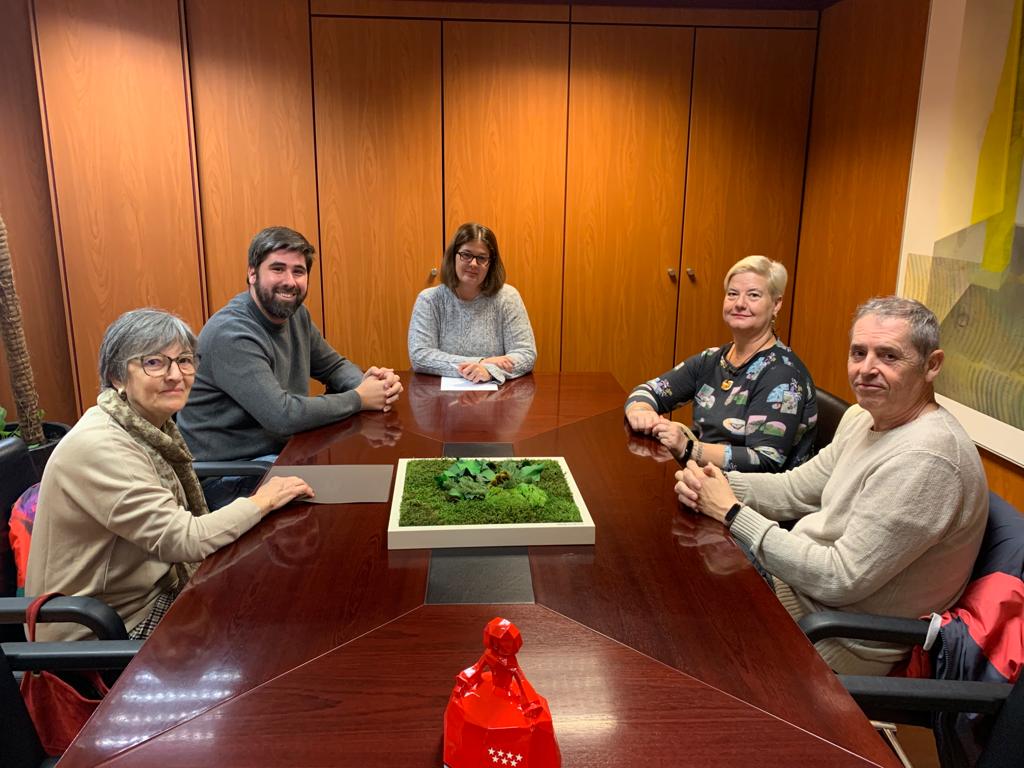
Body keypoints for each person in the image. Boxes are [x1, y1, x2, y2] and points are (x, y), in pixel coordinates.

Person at [674, 297, 989, 675]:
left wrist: (731, 511)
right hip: (798, 591)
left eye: (888, 356)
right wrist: (717, 483)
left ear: (931, 365)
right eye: (859, 353)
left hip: (835, 638)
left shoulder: (928, 459)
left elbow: (839, 578)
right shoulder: (863, 417)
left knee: (680, 612)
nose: (866, 369)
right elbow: (796, 489)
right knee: (676, 564)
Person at [25, 309, 314, 641]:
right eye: (154, 362)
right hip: (103, 629)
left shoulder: (145, 424)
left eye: (184, 361)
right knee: (262, 630)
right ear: (117, 377)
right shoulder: (102, 447)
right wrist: (263, 501)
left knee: (277, 588)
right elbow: (184, 540)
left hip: (148, 590)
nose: (176, 375)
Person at [178, 226, 402, 504]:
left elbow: (333, 366)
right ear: (252, 273)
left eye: (298, 271)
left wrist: (371, 385)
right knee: (361, 501)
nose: (290, 281)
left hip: (282, 455)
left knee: (382, 484)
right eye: (278, 269)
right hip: (231, 475)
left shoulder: (296, 315)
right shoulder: (232, 333)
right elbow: (282, 416)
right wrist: (360, 398)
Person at [625, 255, 817, 472]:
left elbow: (765, 461)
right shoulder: (712, 359)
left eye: (753, 295)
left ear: (776, 304)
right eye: (732, 294)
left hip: (749, 490)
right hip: (705, 476)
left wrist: (688, 448)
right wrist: (640, 411)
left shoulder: (783, 374)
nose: (740, 304)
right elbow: (650, 390)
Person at [408, 222, 536, 384]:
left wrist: (489, 371)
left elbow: (526, 353)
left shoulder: (508, 297)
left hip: (496, 394)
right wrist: (482, 362)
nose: (473, 264)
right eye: (466, 255)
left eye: (482, 258)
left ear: (491, 263)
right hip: (439, 395)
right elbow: (420, 356)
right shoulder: (429, 300)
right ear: (453, 256)